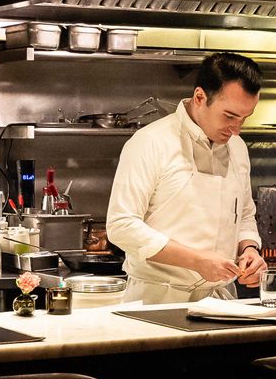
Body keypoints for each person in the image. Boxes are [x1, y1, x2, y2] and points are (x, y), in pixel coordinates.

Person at [107, 53, 267, 304]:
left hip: (220, 302)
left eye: (245, 118)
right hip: (156, 300)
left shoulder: (237, 148)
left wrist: (249, 249)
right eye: (229, 116)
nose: (237, 129)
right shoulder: (151, 142)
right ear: (200, 97)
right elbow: (121, 226)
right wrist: (197, 261)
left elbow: (244, 215)